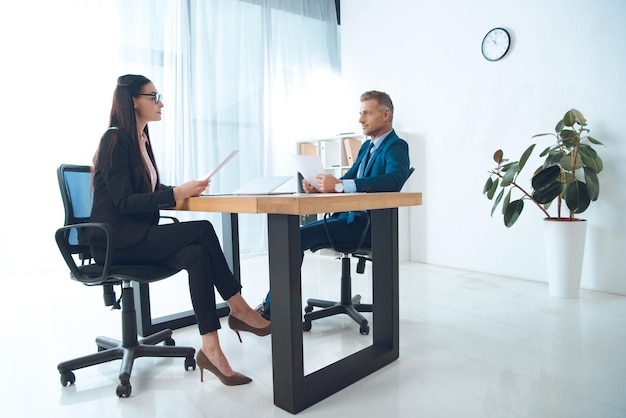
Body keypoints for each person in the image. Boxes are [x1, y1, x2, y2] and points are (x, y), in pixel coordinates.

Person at [85, 74, 270, 386]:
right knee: (202, 230)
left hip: (136, 237)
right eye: (154, 96)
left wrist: (185, 189)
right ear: (133, 101)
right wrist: (175, 194)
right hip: (115, 242)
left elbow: (152, 189)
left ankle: (210, 348)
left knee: (197, 253)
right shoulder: (115, 139)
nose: (161, 103)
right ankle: (238, 307)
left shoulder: (142, 139)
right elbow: (125, 203)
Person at [256, 90, 410, 320]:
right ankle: (273, 307)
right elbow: (346, 179)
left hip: (366, 226)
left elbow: (394, 180)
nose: (360, 119)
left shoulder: (396, 146)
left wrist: (338, 186)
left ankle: (272, 311)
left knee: (293, 237)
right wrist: (320, 186)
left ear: (386, 114)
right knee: (291, 234)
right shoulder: (366, 148)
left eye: (367, 113)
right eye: (360, 113)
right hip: (345, 220)